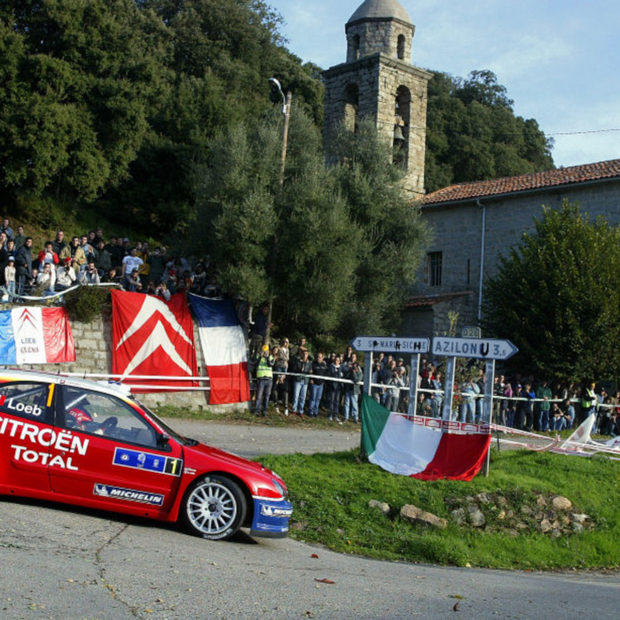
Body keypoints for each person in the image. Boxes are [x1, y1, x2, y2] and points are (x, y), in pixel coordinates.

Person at [254, 344, 274, 417]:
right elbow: (255, 364)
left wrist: (267, 357)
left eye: (266, 351)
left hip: (269, 379)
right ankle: (256, 411)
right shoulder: (258, 357)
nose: (265, 352)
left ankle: (264, 411)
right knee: (259, 396)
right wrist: (260, 356)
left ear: (268, 351)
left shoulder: (271, 357)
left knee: (266, 396)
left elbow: (270, 365)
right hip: (261, 379)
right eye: (264, 351)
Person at [290, 349, 312, 416]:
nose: (305, 355)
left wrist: (310, 372)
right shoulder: (298, 361)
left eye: (306, 354)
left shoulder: (309, 362)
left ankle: (301, 411)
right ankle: (294, 410)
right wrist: (300, 369)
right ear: (302, 354)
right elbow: (294, 369)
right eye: (304, 354)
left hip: (305, 381)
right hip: (298, 380)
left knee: (303, 397)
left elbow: (310, 370)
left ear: (308, 355)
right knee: (296, 396)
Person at [308, 352, 328, 417]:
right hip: (314, 384)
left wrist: (323, 382)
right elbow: (310, 372)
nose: (318, 358)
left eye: (320, 357)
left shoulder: (324, 365)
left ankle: (315, 412)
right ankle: (311, 412)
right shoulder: (313, 364)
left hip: (321, 385)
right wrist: (311, 379)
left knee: (318, 399)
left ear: (322, 358)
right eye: (318, 357)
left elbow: (326, 373)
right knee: (313, 398)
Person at [328, 354, 343, 422]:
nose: (337, 361)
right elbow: (331, 374)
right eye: (336, 360)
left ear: (340, 361)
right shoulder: (331, 366)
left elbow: (342, 375)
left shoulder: (341, 367)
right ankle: (330, 415)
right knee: (331, 401)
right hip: (332, 386)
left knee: (337, 402)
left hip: (338, 387)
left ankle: (335, 415)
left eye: (338, 360)